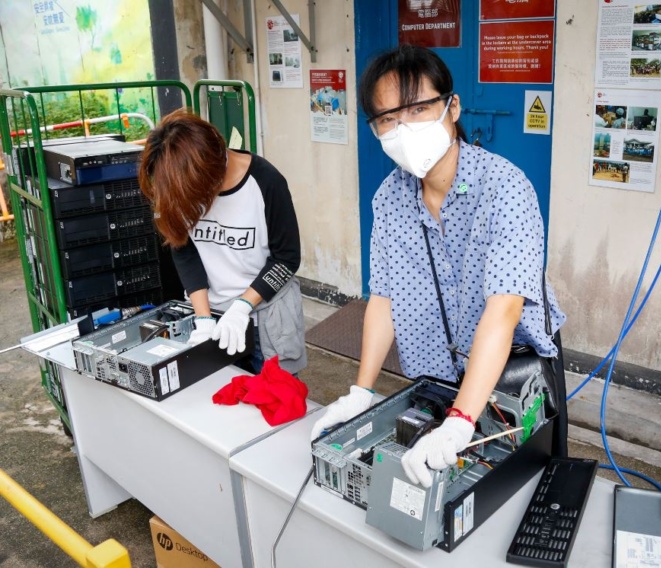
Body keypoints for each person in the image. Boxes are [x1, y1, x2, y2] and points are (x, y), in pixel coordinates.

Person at [309, 45, 566, 488]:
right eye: (387, 118)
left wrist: (463, 418)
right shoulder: (390, 198)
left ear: (452, 107)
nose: (402, 127)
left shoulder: (505, 188)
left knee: (528, 481)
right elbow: (383, 300)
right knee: (450, 487)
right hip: (437, 375)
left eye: (417, 109)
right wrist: (362, 391)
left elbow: (503, 311)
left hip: (513, 370)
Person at [138, 109, 307, 376]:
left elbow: (287, 259)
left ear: (212, 167)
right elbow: (184, 250)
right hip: (213, 313)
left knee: (276, 402)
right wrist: (203, 318)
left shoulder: (265, 182)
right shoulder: (178, 186)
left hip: (268, 314)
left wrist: (241, 307)